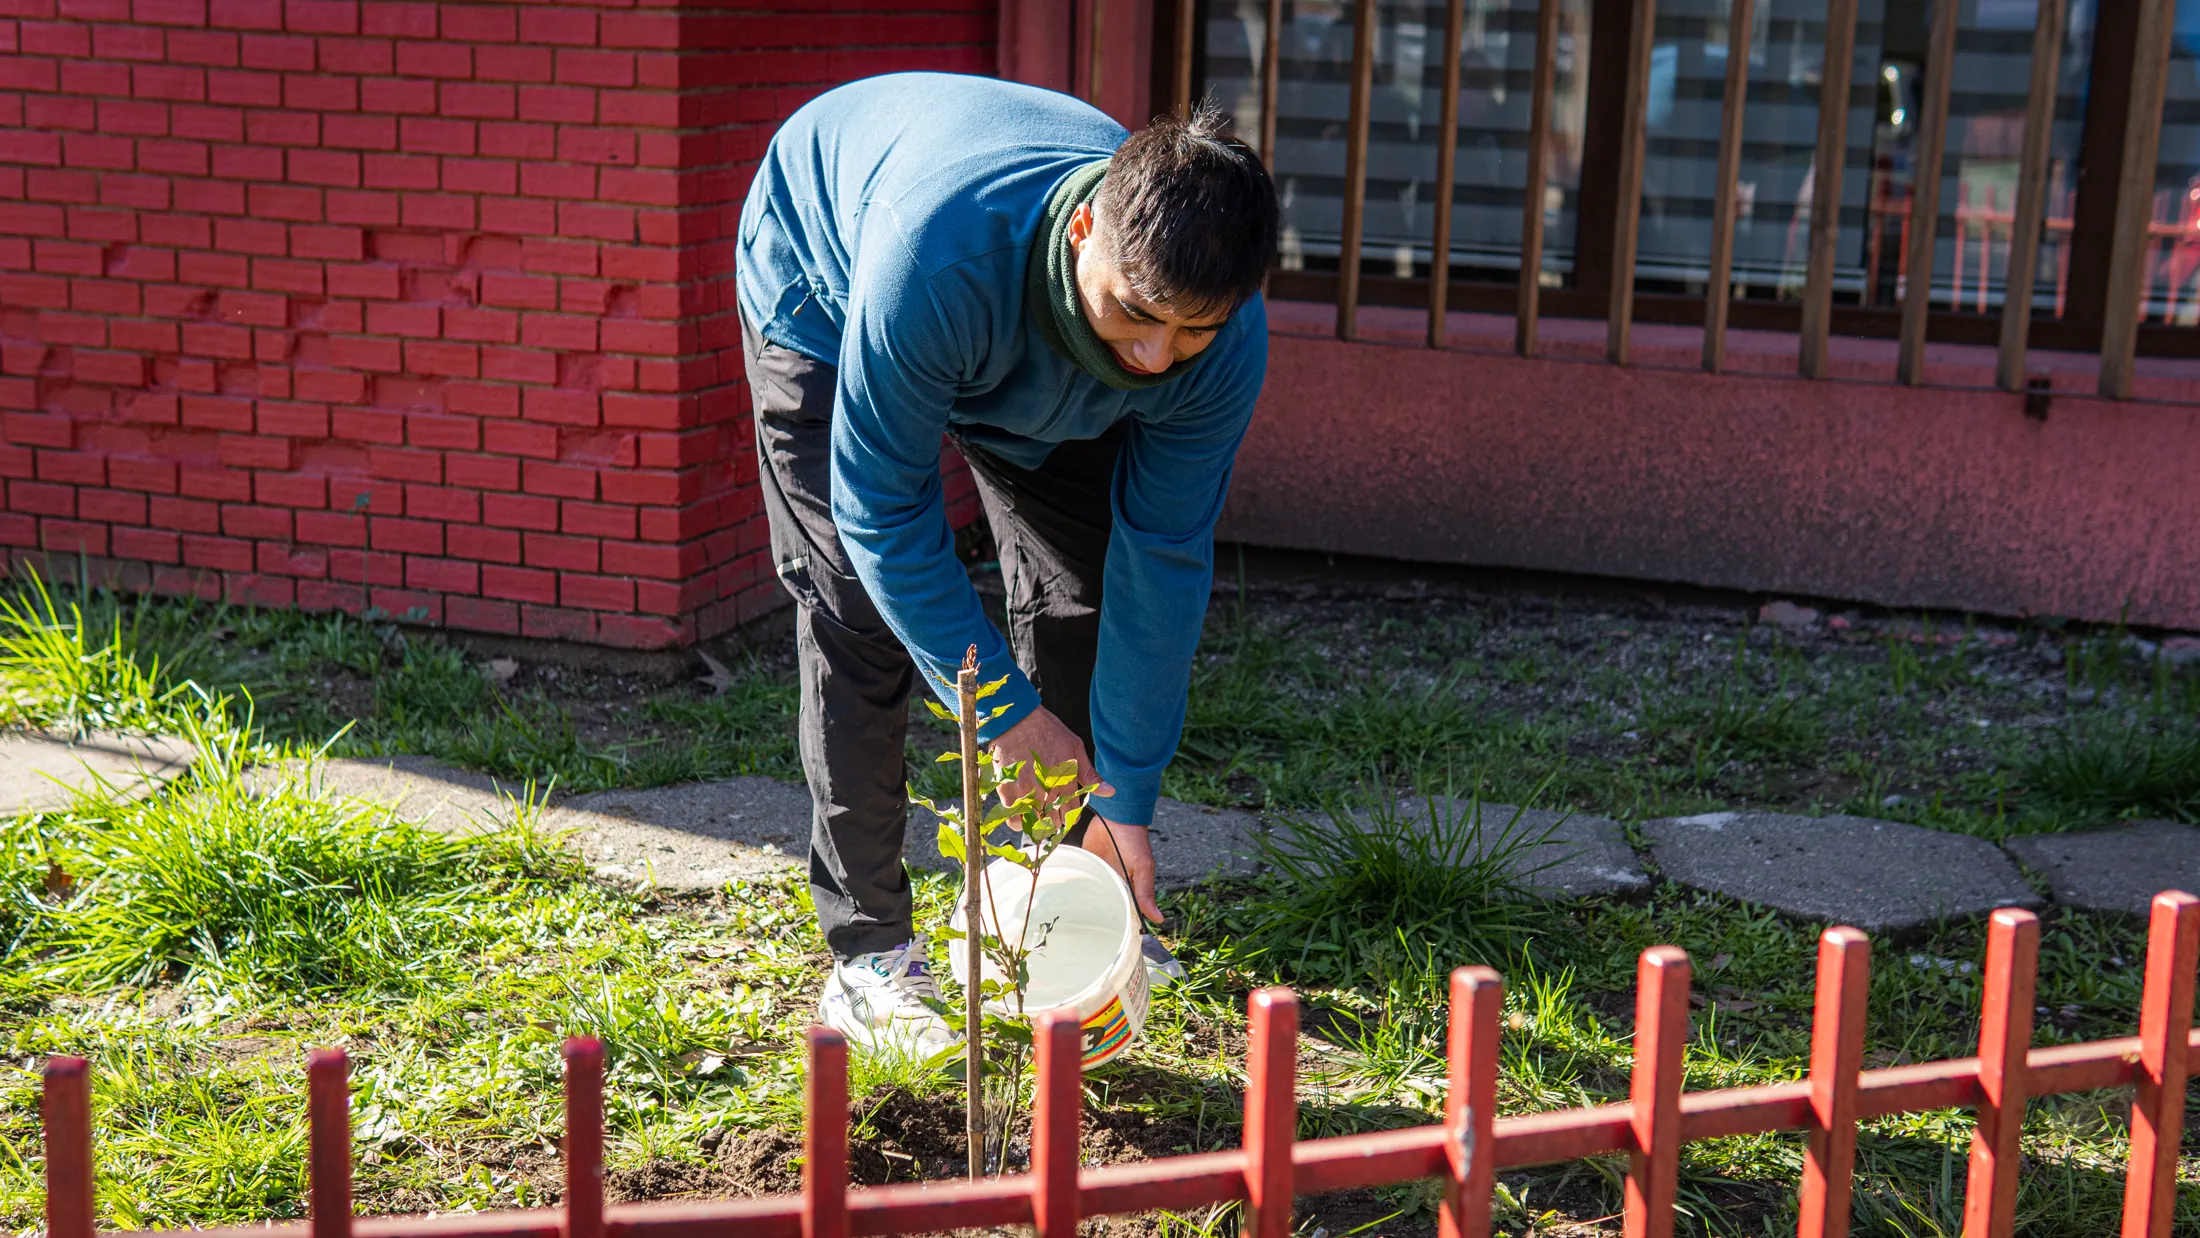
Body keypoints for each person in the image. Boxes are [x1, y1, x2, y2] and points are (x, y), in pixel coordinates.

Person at [735, 71, 1279, 1048]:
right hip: (827, 285)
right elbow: (882, 510)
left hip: (1017, 350)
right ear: (1084, 239)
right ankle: (869, 954)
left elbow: (1161, 557)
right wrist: (996, 710)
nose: (1156, 356)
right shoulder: (934, 260)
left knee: (1086, 589)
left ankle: (1063, 906)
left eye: (1191, 329)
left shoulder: (1219, 344)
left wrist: (1126, 799)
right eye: (1138, 312)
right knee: (858, 610)